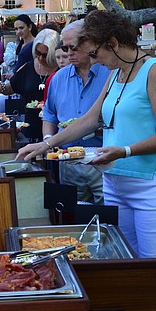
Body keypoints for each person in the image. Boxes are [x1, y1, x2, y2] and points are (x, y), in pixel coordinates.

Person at [17, 10, 156, 258]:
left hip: (151, 186)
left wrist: (124, 151)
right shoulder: (116, 73)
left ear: (112, 43)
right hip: (114, 184)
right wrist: (47, 144)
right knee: (124, 261)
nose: (93, 61)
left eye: (94, 54)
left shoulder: (155, 71)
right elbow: (90, 119)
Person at [42, 21, 112, 204]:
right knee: (73, 213)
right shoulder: (59, 78)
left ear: (89, 42)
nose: (68, 53)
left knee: (108, 213)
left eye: (73, 47)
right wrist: (48, 139)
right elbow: (49, 114)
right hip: (69, 161)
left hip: (103, 159)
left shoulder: (110, 74)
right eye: (65, 48)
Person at [0, 28, 60, 104]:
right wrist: (0, 87)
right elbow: (11, 87)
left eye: (45, 55)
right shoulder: (28, 67)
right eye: (37, 53)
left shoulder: (62, 69)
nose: (40, 58)